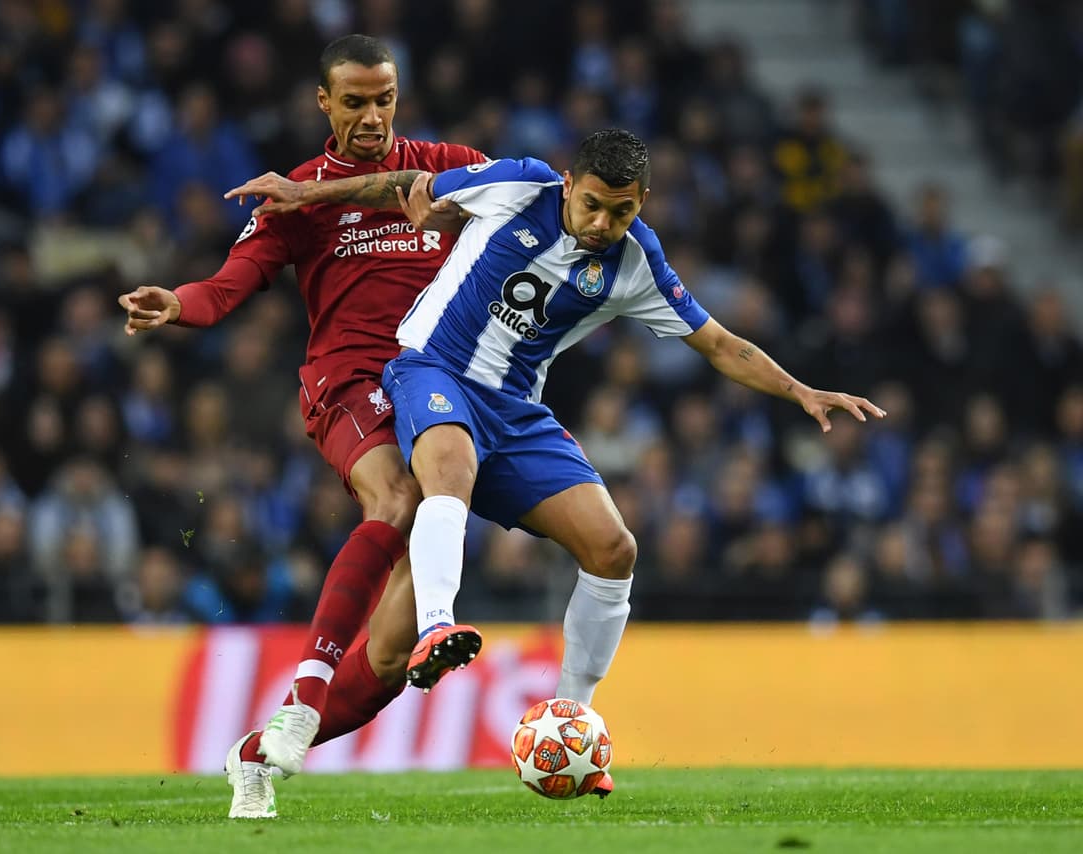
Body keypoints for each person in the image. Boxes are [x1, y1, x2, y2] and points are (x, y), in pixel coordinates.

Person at [228, 128, 886, 796]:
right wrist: (308, 192)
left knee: (612, 548)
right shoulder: (519, 185)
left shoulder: (635, 261)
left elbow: (717, 344)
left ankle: (570, 720)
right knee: (448, 469)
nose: (604, 224)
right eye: (593, 204)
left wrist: (799, 389)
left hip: (513, 413)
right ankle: (438, 625)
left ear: (642, 203)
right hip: (433, 370)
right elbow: (400, 184)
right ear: (569, 185)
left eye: (622, 212)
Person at [117, 35, 485, 819]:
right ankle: (308, 689)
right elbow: (226, 288)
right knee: (396, 499)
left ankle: (258, 749)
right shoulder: (296, 195)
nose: (372, 116)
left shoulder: (446, 162)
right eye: (354, 101)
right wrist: (177, 303)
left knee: (388, 658)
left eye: (383, 98)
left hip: (437, 390)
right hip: (347, 383)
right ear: (324, 103)